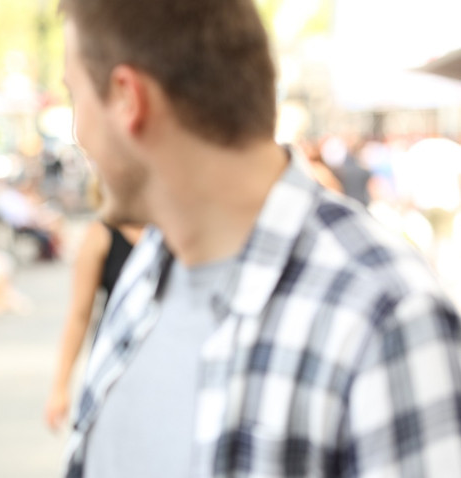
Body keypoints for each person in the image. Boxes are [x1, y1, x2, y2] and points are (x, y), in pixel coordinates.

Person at [59, 1, 461, 477]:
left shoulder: (384, 312)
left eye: (74, 96)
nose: (76, 132)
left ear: (128, 97)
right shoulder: (148, 271)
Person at [44, 178, 143, 431]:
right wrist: (60, 387)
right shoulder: (100, 234)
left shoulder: (170, 228)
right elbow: (79, 315)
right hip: (117, 357)